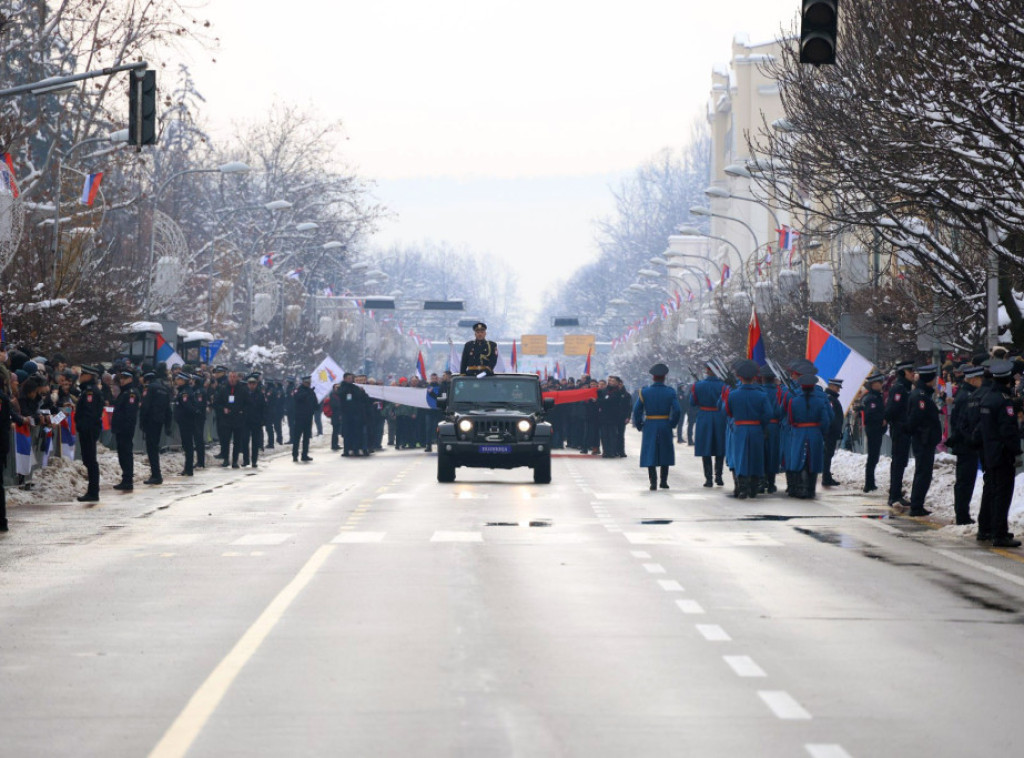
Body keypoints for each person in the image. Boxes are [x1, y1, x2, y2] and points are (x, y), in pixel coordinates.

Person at [978, 360, 1022, 547]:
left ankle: (988, 528)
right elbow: (1007, 430)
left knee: (993, 491)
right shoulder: (1004, 402)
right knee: (1002, 494)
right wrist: (1016, 450)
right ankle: (999, 533)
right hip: (1002, 453)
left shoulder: (987, 398)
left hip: (989, 451)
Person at [724, 360, 773, 499]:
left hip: (739, 428)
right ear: (754, 378)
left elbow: (727, 411)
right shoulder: (761, 395)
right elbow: (768, 414)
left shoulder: (733, 394)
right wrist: (761, 425)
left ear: (739, 377)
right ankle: (753, 488)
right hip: (756, 428)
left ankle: (742, 487)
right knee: (755, 458)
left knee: (740, 458)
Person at [631, 363, 681, 490]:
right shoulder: (670, 392)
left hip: (650, 424)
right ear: (664, 377)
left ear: (653, 377)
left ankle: (653, 482)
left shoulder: (645, 392)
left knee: (650, 452)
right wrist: (672, 423)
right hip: (665, 423)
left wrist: (639, 424)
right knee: (665, 451)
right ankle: (663, 481)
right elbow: (677, 410)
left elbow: (637, 410)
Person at [946, 365, 984, 525]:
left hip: (964, 444)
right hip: (965, 445)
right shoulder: (967, 396)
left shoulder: (965, 394)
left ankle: (963, 513)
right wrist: (971, 439)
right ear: (974, 379)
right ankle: (962, 515)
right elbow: (962, 423)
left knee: (966, 480)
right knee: (964, 481)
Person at [904, 364, 942, 517]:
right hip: (923, 439)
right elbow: (916, 419)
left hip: (924, 439)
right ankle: (916, 505)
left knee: (923, 472)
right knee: (923, 473)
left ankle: (917, 503)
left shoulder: (921, 394)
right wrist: (922, 434)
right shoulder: (920, 396)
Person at [786, 373, 832, 499]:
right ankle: (810, 488)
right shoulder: (820, 401)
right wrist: (821, 431)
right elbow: (826, 420)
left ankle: (801, 487)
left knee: (799, 459)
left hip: (799, 432)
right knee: (813, 460)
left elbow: (790, 419)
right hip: (815, 432)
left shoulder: (793, 401)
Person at [884, 360, 916, 508]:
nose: (912, 374)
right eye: (910, 371)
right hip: (900, 429)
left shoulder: (906, 387)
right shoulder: (899, 388)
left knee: (901, 462)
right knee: (898, 462)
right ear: (904, 372)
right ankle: (894, 495)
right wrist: (899, 424)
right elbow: (892, 409)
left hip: (904, 429)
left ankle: (895, 493)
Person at [692, 363, 727, 487]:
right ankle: (719, 476)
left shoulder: (698, 385)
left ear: (707, 371)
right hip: (719, 416)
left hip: (704, 417)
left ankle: (708, 478)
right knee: (719, 447)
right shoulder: (724, 385)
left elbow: (693, 402)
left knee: (705, 448)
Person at [74, 365, 105, 503]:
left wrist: (83, 427)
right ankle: (92, 491)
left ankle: (93, 492)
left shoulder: (90, 392)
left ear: (89, 376)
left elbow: (89, 413)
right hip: (88, 429)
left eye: (83, 374)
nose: (80, 377)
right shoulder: (87, 390)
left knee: (91, 460)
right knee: (89, 460)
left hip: (89, 429)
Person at [857, 373, 887, 493]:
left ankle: (871, 482)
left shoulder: (876, 396)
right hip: (873, 429)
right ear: (874, 384)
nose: (881, 385)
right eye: (879, 383)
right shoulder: (871, 398)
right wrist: (882, 420)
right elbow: (870, 415)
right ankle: (868, 483)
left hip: (876, 430)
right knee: (872, 457)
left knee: (874, 457)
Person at [111, 369, 141, 489]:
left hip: (125, 429)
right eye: (121, 378)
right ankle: (126, 479)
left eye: (124, 378)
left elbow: (129, 413)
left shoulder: (130, 393)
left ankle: (128, 480)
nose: (122, 380)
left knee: (126, 453)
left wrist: (125, 427)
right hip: (121, 428)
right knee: (122, 453)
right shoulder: (125, 392)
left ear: (130, 379)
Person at [214, 370, 249, 468]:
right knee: (225, 440)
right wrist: (223, 409)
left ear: (237, 378)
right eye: (231, 377)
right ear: (228, 378)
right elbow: (217, 403)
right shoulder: (223, 389)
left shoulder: (242, 390)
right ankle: (226, 459)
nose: (232, 379)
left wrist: (242, 411)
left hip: (238, 419)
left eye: (234, 377)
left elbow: (248, 403)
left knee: (237, 441)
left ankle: (234, 460)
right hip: (226, 420)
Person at [821, 378, 845, 486]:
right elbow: (830, 417)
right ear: (831, 386)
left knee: (828, 455)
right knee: (827, 455)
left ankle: (826, 476)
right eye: (837, 387)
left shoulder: (831, 398)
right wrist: (834, 430)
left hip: (831, 432)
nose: (838, 390)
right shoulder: (830, 399)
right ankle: (826, 477)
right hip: (829, 433)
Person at [292, 374, 318, 461]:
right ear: (303, 382)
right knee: (297, 437)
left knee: (306, 437)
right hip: (299, 417)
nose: (308, 384)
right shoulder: (298, 390)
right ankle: (295, 455)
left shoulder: (311, 392)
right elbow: (297, 398)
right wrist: (307, 393)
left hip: (308, 417)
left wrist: (316, 408)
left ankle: (304, 454)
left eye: (309, 383)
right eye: (307, 383)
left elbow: (315, 403)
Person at [245, 374, 266, 467]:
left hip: (256, 421)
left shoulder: (260, 395)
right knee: (245, 441)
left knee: (255, 442)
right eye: (250, 383)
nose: (251, 385)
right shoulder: (244, 394)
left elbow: (264, 408)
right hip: (246, 421)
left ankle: (254, 460)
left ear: (256, 384)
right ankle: (246, 460)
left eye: (253, 383)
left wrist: (263, 420)